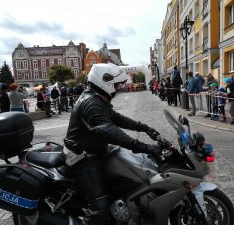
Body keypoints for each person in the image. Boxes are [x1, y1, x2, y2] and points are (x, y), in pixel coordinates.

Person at [63, 63, 161, 225]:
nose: (118, 88)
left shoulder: (98, 99)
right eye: (116, 84)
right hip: (83, 158)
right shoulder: (91, 103)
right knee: (99, 208)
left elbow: (116, 118)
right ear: (105, 81)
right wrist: (144, 147)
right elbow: (108, 130)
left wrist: (145, 128)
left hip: (98, 151)